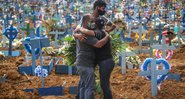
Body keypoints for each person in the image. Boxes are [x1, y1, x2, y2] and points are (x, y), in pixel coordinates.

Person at [74, 0, 116, 99]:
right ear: (97, 7)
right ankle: (79, 96)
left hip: (94, 56)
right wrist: (76, 34)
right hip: (90, 56)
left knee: (88, 82)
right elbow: (79, 28)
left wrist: (106, 32)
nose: (104, 10)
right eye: (103, 8)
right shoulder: (88, 18)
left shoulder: (101, 21)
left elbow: (112, 26)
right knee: (85, 81)